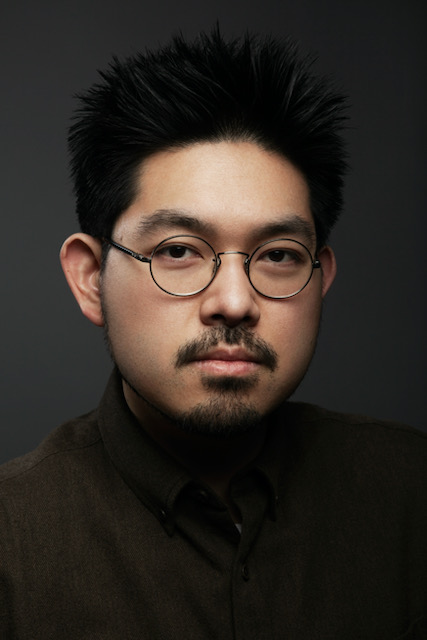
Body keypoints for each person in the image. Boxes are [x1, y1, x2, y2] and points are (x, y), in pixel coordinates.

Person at [0, 28, 425, 639]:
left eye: (278, 255)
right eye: (178, 250)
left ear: (320, 279)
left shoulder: (411, 494)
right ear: (91, 279)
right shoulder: (15, 544)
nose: (234, 302)